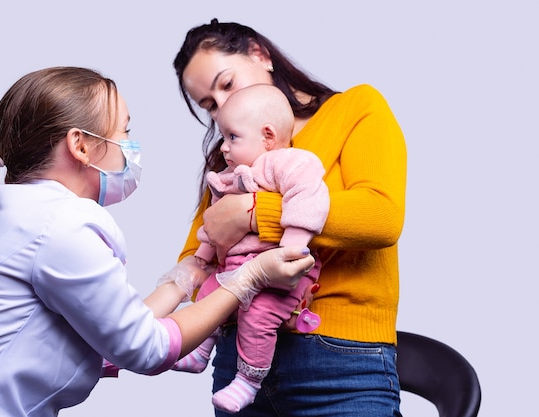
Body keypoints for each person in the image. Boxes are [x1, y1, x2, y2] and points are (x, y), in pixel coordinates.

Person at [0, 66, 315, 417]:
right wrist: (249, 277)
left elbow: (117, 331)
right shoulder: (61, 225)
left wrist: (182, 280)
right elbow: (146, 348)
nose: (130, 145)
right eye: (125, 129)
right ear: (80, 145)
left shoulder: (23, 216)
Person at [173, 19, 407, 416]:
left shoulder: (355, 109)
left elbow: (380, 217)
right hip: (236, 360)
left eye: (226, 83)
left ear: (260, 55)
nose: (221, 105)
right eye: (209, 105)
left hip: (341, 362)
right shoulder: (230, 156)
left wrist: (253, 214)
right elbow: (198, 253)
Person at [170, 83, 329, 413]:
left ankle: (248, 381)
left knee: (258, 317)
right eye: (223, 137)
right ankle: (201, 350)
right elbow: (214, 225)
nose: (224, 148)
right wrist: (202, 259)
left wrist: (292, 248)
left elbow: (309, 198)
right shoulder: (228, 176)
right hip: (235, 268)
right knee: (211, 297)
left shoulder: (288, 163)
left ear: (268, 136)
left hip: (283, 269)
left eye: (232, 137)